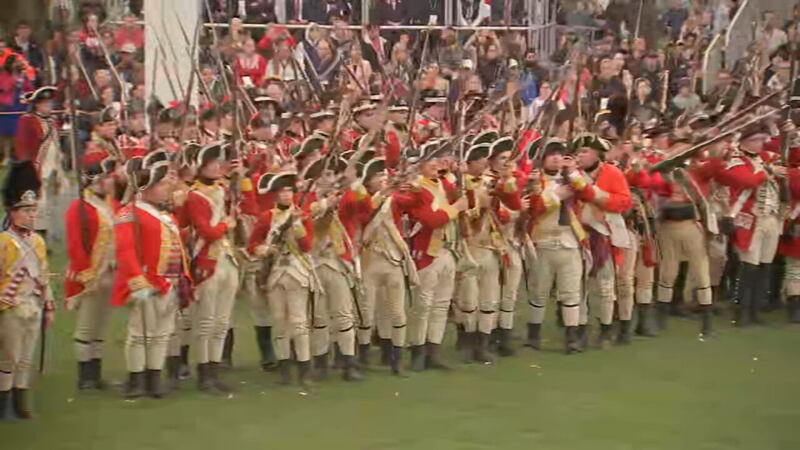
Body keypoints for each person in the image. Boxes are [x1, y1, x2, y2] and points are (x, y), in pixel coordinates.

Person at [112, 159, 189, 399]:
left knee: (161, 333)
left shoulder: (164, 214)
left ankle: (154, 378)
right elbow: (126, 250)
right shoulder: (129, 213)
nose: (167, 188)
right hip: (148, 281)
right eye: (161, 184)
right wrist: (137, 279)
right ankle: (137, 379)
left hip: (169, 281)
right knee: (139, 334)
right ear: (146, 189)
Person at [404, 139, 469, 371]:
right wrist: (455, 208)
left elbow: (465, 199)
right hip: (427, 253)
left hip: (447, 250)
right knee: (423, 306)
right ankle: (418, 351)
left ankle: (433, 350)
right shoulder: (416, 189)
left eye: (436, 159)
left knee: (441, 304)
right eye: (429, 160)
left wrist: (461, 175)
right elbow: (431, 220)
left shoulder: (443, 184)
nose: (435, 164)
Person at [248, 171, 316, 388]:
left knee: (299, 322)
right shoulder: (267, 217)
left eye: (289, 191)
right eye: (282, 192)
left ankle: (304, 369)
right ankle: (284, 368)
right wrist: (264, 250)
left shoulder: (302, 215)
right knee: (279, 322)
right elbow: (253, 243)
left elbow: (307, 246)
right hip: (275, 272)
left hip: (297, 270)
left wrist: (296, 225)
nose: (286, 195)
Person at [185, 142, 241, 393]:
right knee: (206, 322)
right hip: (208, 259)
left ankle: (215, 370)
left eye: (217, 163)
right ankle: (204, 372)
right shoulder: (195, 195)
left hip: (227, 257)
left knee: (221, 322)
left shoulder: (222, 189)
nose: (217, 167)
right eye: (211, 164)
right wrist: (226, 225)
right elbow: (206, 231)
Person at [0, 171, 54, 420]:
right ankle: (4, 404)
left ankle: (21, 401)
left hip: (33, 304)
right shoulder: (4, 241)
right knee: (8, 358)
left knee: (26, 358)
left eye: (33, 210)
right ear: (13, 212)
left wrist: (49, 305)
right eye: (26, 210)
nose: (31, 215)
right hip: (11, 306)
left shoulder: (38, 241)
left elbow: (43, 275)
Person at [64, 153, 119, 390]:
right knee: (86, 326)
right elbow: (76, 247)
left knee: (100, 325)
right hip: (90, 276)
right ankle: (85, 376)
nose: (111, 181)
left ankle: (96, 374)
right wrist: (87, 276)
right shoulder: (79, 208)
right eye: (107, 177)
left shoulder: (107, 204)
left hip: (109, 273)